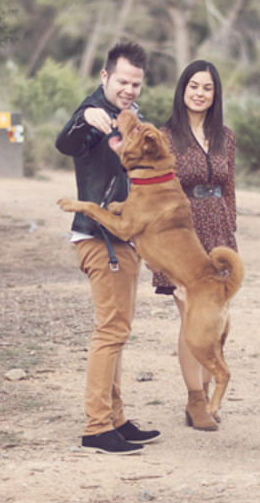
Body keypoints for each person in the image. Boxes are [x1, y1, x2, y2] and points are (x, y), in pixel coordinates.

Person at [55, 41, 162, 455]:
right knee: (110, 331)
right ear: (105, 77)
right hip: (101, 240)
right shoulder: (93, 114)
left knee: (118, 332)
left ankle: (115, 419)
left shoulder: (134, 119)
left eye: (136, 83)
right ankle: (97, 426)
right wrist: (84, 117)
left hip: (126, 239)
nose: (129, 88)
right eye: (122, 81)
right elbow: (66, 143)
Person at [151, 59, 238, 432]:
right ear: (182, 90)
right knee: (191, 319)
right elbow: (154, 191)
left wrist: (231, 234)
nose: (199, 94)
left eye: (207, 88)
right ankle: (195, 402)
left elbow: (230, 188)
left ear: (215, 94)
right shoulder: (165, 136)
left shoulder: (226, 137)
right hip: (181, 237)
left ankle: (207, 394)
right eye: (193, 86)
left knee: (215, 324)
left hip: (218, 233)